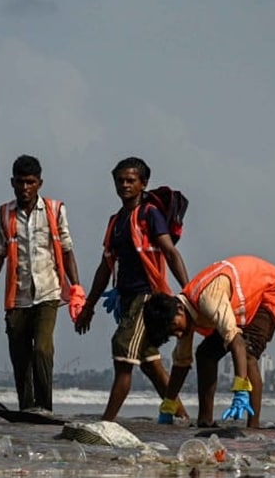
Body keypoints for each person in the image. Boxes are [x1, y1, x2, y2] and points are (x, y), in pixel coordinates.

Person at [74, 157, 191, 423]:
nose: (125, 185)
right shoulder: (116, 221)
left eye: (131, 180)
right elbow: (105, 268)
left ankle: (107, 423)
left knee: (123, 353)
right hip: (127, 298)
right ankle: (183, 419)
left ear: (143, 183)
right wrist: (88, 306)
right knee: (151, 364)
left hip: (147, 297)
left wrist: (189, 289)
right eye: (120, 180)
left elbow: (170, 252)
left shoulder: (149, 214)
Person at [0, 155, 86, 414]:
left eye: (30, 182)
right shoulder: (3, 214)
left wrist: (77, 289)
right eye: (20, 182)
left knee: (43, 350)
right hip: (17, 296)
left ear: (39, 183)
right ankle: (27, 409)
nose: (25, 188)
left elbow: (67, 250)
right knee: (20, 358)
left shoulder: (55, 210)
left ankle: (45, 408)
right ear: (12, 182)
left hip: (49, 291)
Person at [141, 256, 275, 429]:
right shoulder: (184, 314)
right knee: (205, 354)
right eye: (172, 334)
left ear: (179, 309)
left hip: (271, 289)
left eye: (175, 327)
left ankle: (253, 426)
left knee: (247, 353)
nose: (179, 334)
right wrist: (168, 405)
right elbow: (181, 364)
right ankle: (205, 420)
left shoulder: (208, 300)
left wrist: (240, 390)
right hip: (243, 302)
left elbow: (236, 342)